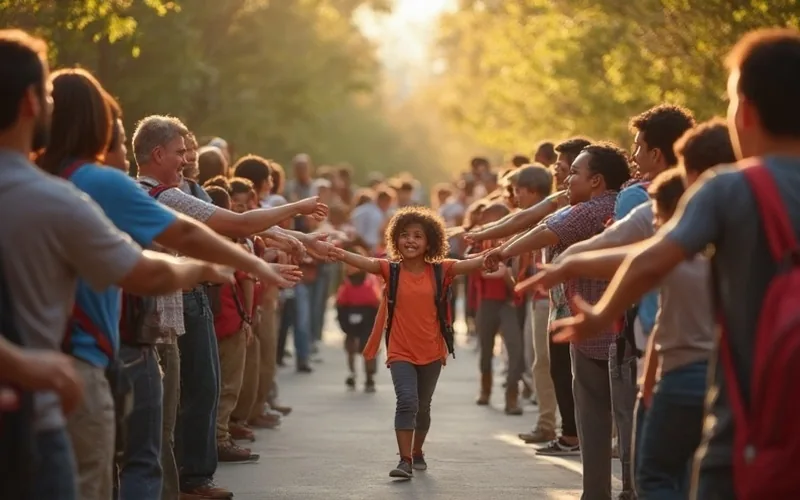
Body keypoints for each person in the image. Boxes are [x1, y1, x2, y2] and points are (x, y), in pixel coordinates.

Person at [549, 28, 800, 499]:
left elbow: (652, 260)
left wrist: (601, 313)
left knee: (665, 478)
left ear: (745, 111)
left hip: (746, 405)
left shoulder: (729, 188)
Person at [331, 206, 487, 479]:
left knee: (423, 407)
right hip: (400, 350)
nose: (410, 240)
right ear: (395, 239)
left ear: (430, 242)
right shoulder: (390, 270)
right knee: (406, 401)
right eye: (404, 235)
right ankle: (404, 461)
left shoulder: (441, 270)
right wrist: (336, 251)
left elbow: (473, 264)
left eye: (417, 235)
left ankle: (417, 451)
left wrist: (498, 253)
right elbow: (365, 262)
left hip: (432, 350)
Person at [335, 244, 381, 392]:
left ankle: (369, 376)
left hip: (368, 318)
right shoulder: (345, 283)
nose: (350, 267)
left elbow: (377, 302)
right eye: (348, 265)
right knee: (351, 345)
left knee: (369, 348)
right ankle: (352, 373)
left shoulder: (370, 281)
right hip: (350, 316)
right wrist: (342, 320)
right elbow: (340, 303)